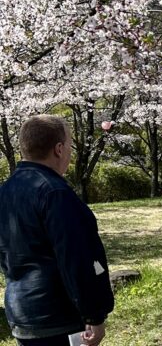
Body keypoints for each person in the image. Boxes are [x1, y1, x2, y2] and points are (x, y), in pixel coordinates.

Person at [0, 115, 114, 346]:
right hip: (56, 314)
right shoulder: (55, 193)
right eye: (70, 145)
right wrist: (94, 314)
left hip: (21, 310)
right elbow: (77, 258)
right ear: (59, 149)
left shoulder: (5, 191)